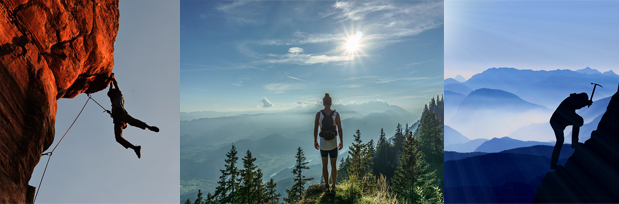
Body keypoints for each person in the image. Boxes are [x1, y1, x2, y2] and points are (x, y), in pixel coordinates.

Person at [107, 73, 159, 158]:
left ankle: (148, 127)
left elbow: (115, 86)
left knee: (131, 121)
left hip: (121, 113)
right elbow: (111, 90)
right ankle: (135, 148)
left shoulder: (119, 96)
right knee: (118, 138)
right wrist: (110, 82)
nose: (110, 97)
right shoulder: (113, 101)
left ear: (114, 94)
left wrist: (112, 79)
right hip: (117, 118)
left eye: (111, 95)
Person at [549, 92, 591, 169]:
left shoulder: (572, 99)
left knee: (560, 141)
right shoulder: (572, 101)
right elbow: (578, 105)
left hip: (558, 120)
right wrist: (586, 103)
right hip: (558, 121)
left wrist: (585, 103)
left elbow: (578, 105)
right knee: (560, 141)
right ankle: (574, 143)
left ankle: (553, 164)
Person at [314, 93, 343, 193]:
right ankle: (333, 186)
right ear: (331, 103)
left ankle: (326, 187)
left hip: (323, 144)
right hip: (333, 143)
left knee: (324, 165)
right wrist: (341, 141)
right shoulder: (336, 114)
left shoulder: (319, 114)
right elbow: (340, 129)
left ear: (323, 103)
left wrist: (315, 141)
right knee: (333, 165)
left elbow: (315, 128)